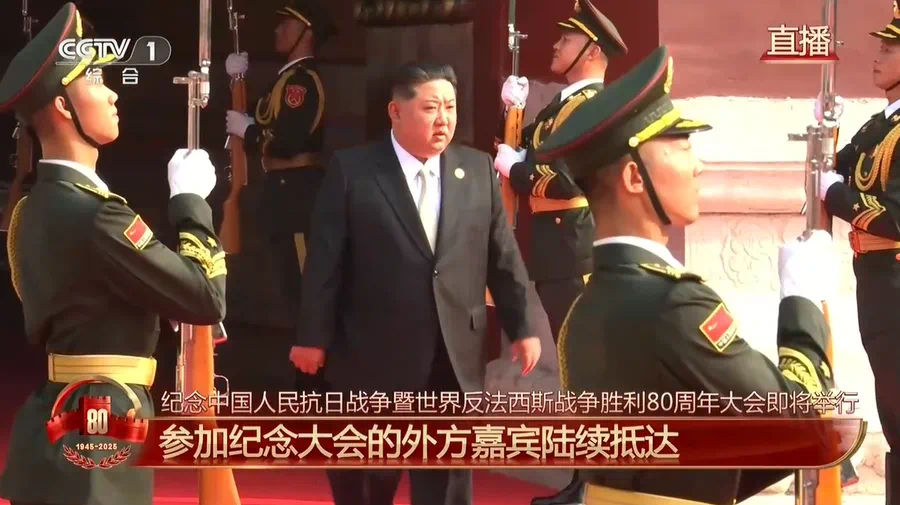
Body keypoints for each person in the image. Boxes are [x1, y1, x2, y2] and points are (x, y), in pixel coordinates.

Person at [533, 44, 837, 505]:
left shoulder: (584, 310)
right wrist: (801, 299)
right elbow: (802, 421)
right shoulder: (673, 304)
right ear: (635, 178)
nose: (699, 165)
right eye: (682, 146)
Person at [0, 3, 226, 505]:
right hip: (100, 420)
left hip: (58, 413)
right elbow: (207, 297)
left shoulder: (36, 208)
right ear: (64, 106)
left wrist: (154, 293)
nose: (112, 93)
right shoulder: (97, 216)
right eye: (96, 80)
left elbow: (84, 296)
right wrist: (191, 203)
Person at [290, 62, 541, 505]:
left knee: (446, 484)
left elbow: (503, 258)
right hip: (372, 357)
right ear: (396, 111)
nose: (444, 119)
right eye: (430, 108)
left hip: (453, 358)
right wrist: (312, 337)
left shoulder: (476, 169)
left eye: (450, 107)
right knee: (366, 483)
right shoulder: (354, 171)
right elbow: (325, 263)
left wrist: (523, 327)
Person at [495, 1, 627, 503]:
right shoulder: (565, 105)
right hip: (557, 250)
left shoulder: (594, 106)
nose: (555, 44)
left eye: (567, 40)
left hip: (576, 249)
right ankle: (584, 481)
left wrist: (517, 170)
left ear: (591, 51)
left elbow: (568, 179)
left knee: (589, 372)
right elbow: (530, 146)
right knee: (577, 372)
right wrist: (514, 112)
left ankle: (594, 484)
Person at [224, 0, 336, 394]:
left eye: (287, 25)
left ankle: (314, 382)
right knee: (292, 290)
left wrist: (250, 132)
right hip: (283, 192)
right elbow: (264, 116)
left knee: (306, 290)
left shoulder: (302, 82)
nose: (278, 31)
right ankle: (306, 377)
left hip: (298, 195)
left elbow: (288, 141)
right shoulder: (285, 79)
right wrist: (238, 83)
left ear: (306, 33)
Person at [818, 2, 900, 500]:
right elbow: (840, 163)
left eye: (890, 49)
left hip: (895, 276)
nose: (878, 56)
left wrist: (836, 196)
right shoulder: (878, 126)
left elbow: (895, 217)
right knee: (890, 401)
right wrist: (825, 128)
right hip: (874, 278)